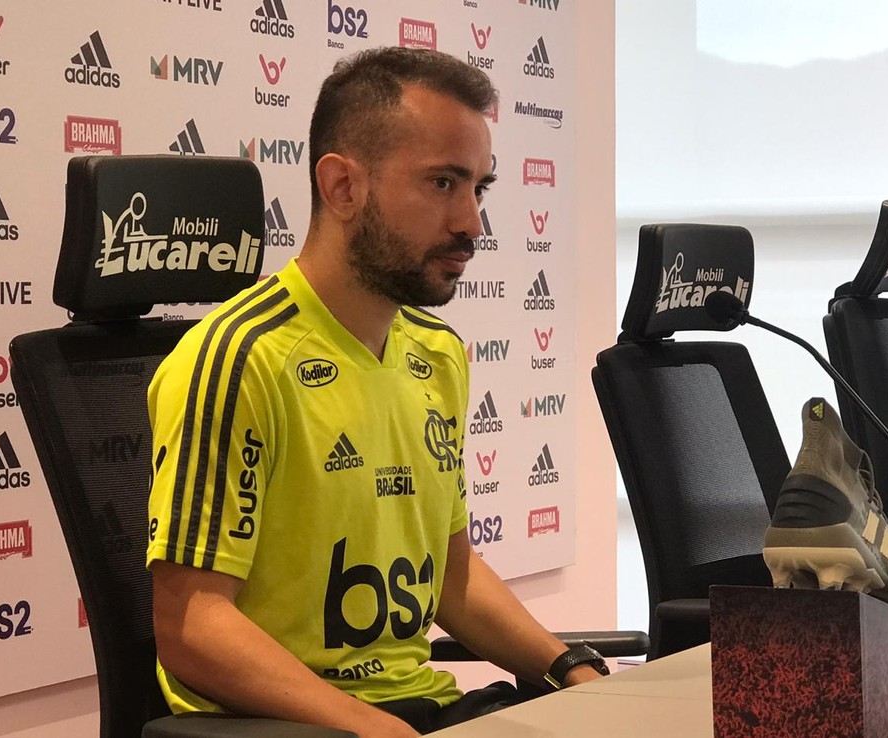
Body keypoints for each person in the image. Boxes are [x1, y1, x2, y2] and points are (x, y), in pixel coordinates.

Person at [146, 47, 609, 738]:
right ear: (342, 188)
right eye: (444, 183)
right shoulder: (238, 358)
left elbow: (449, 577)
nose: (472, 224)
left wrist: (570, 666)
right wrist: (366, 726)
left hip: (419, 709)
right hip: (293, 726)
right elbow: (192, 625)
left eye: (479, 188)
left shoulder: (438, 353)